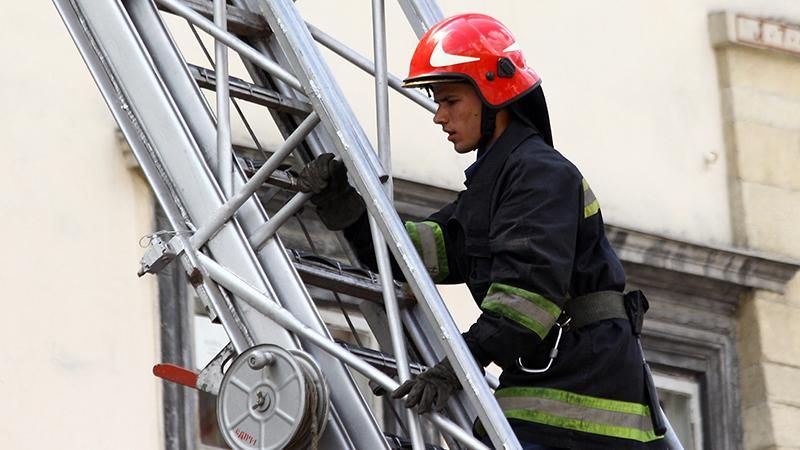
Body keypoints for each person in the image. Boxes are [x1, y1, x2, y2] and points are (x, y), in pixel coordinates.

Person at [298, 13, 667, 450]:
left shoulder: (539, 175)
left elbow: (525, 298)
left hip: (584, 394)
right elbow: (414, 258)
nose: (439, 116)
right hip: (550, 386)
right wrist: (348, 211)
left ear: (494, 95)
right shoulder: (494, 188)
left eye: (450, 100)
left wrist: (455, 369)